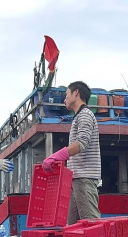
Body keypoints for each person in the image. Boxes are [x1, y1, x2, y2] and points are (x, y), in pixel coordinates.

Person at [42, 81, 101, 224]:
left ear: (76, 93)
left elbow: (81, 143)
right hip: (77, 179)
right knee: (73, 227)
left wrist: (56, 156)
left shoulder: (85, 115)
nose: (65, 99)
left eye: (67, 94)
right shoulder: (78, 117)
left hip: (85, 178)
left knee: (91, 225)